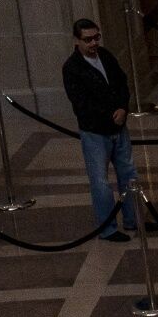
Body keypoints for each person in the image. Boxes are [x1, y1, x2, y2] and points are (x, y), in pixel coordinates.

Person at [60, 18, 141, 242]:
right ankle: (108, 228)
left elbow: (121, 83)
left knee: (129, 174)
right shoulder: (72, 68)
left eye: (97, 37)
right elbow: (81, 103)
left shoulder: (105, 55)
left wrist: (123, 108)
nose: (94, 43)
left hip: (119, 127)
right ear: (77, 41)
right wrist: (110, 116)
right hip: (96, 133)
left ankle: (134, 219)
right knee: (100, 182)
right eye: (88, 39)